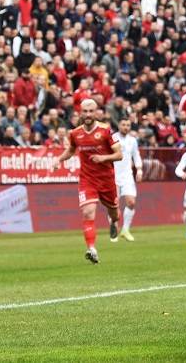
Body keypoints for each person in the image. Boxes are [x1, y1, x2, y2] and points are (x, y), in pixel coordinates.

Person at [55, 99, 123, 264]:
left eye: (91, 111)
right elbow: (71, 150)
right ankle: (92, 249)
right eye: (85, 111)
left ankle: (113, 222)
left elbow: (119, 155)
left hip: (106, 180)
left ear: (96, 112)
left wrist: (103, 158)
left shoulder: (106, 130)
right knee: (88, 212)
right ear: (80, 112)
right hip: (87, 179)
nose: (88, 115)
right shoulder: (75, 133)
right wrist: (59, 159)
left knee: (114, 212)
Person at [112, 118, 143, 242]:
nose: (126, 127)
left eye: (128, 125)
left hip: (127, 175)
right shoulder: (112, 138)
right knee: (114, 205)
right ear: (119, 125)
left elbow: (136, 155)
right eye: (123, 124)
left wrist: (139, 169)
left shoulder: (132, 140)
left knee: (131, 202)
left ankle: (125, 230)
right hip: (113, 175)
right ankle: (114, 229)